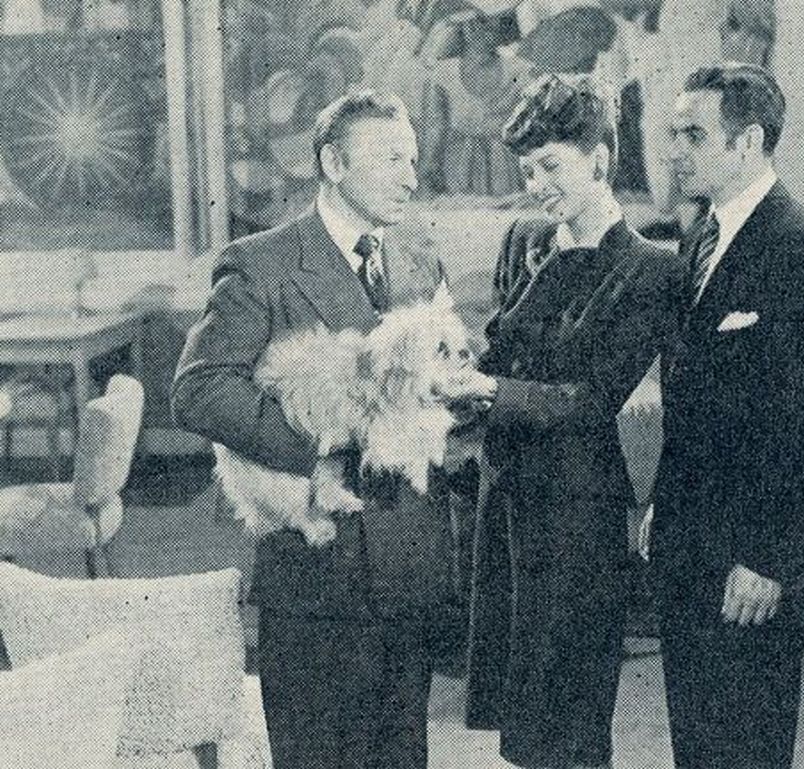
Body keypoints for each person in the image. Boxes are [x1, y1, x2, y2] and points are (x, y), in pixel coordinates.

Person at [171, 90, 453, 769]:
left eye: (412, 159)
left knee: (399, 754)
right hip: (321, 570)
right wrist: (321, 448)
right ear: (332, 161)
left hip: (407, 560)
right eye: (390, 159)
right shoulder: (262, 262)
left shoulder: (417, 260)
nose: (409, 175)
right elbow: (199, 389)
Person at [435, 73, 677, 769]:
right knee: (520, 716)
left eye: (550, 167)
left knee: (569, 713)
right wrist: (453, 373)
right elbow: (499, 348)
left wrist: (487, 391)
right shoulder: (524, 242)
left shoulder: (650, 270)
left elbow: (589, 399)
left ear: (600, 159)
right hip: (505, 502)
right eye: (526, 169)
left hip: (576, 514)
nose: (536, 183)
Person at [637, 63, 804, 768]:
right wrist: (661, 503)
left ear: (749, 141)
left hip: (748, 563)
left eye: (692, 133)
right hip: (687, 548)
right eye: (673, 131)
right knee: (698, 748)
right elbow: (695, 399)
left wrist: (768, 557)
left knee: (744, 748)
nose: (674, 148)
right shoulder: (699, 239)